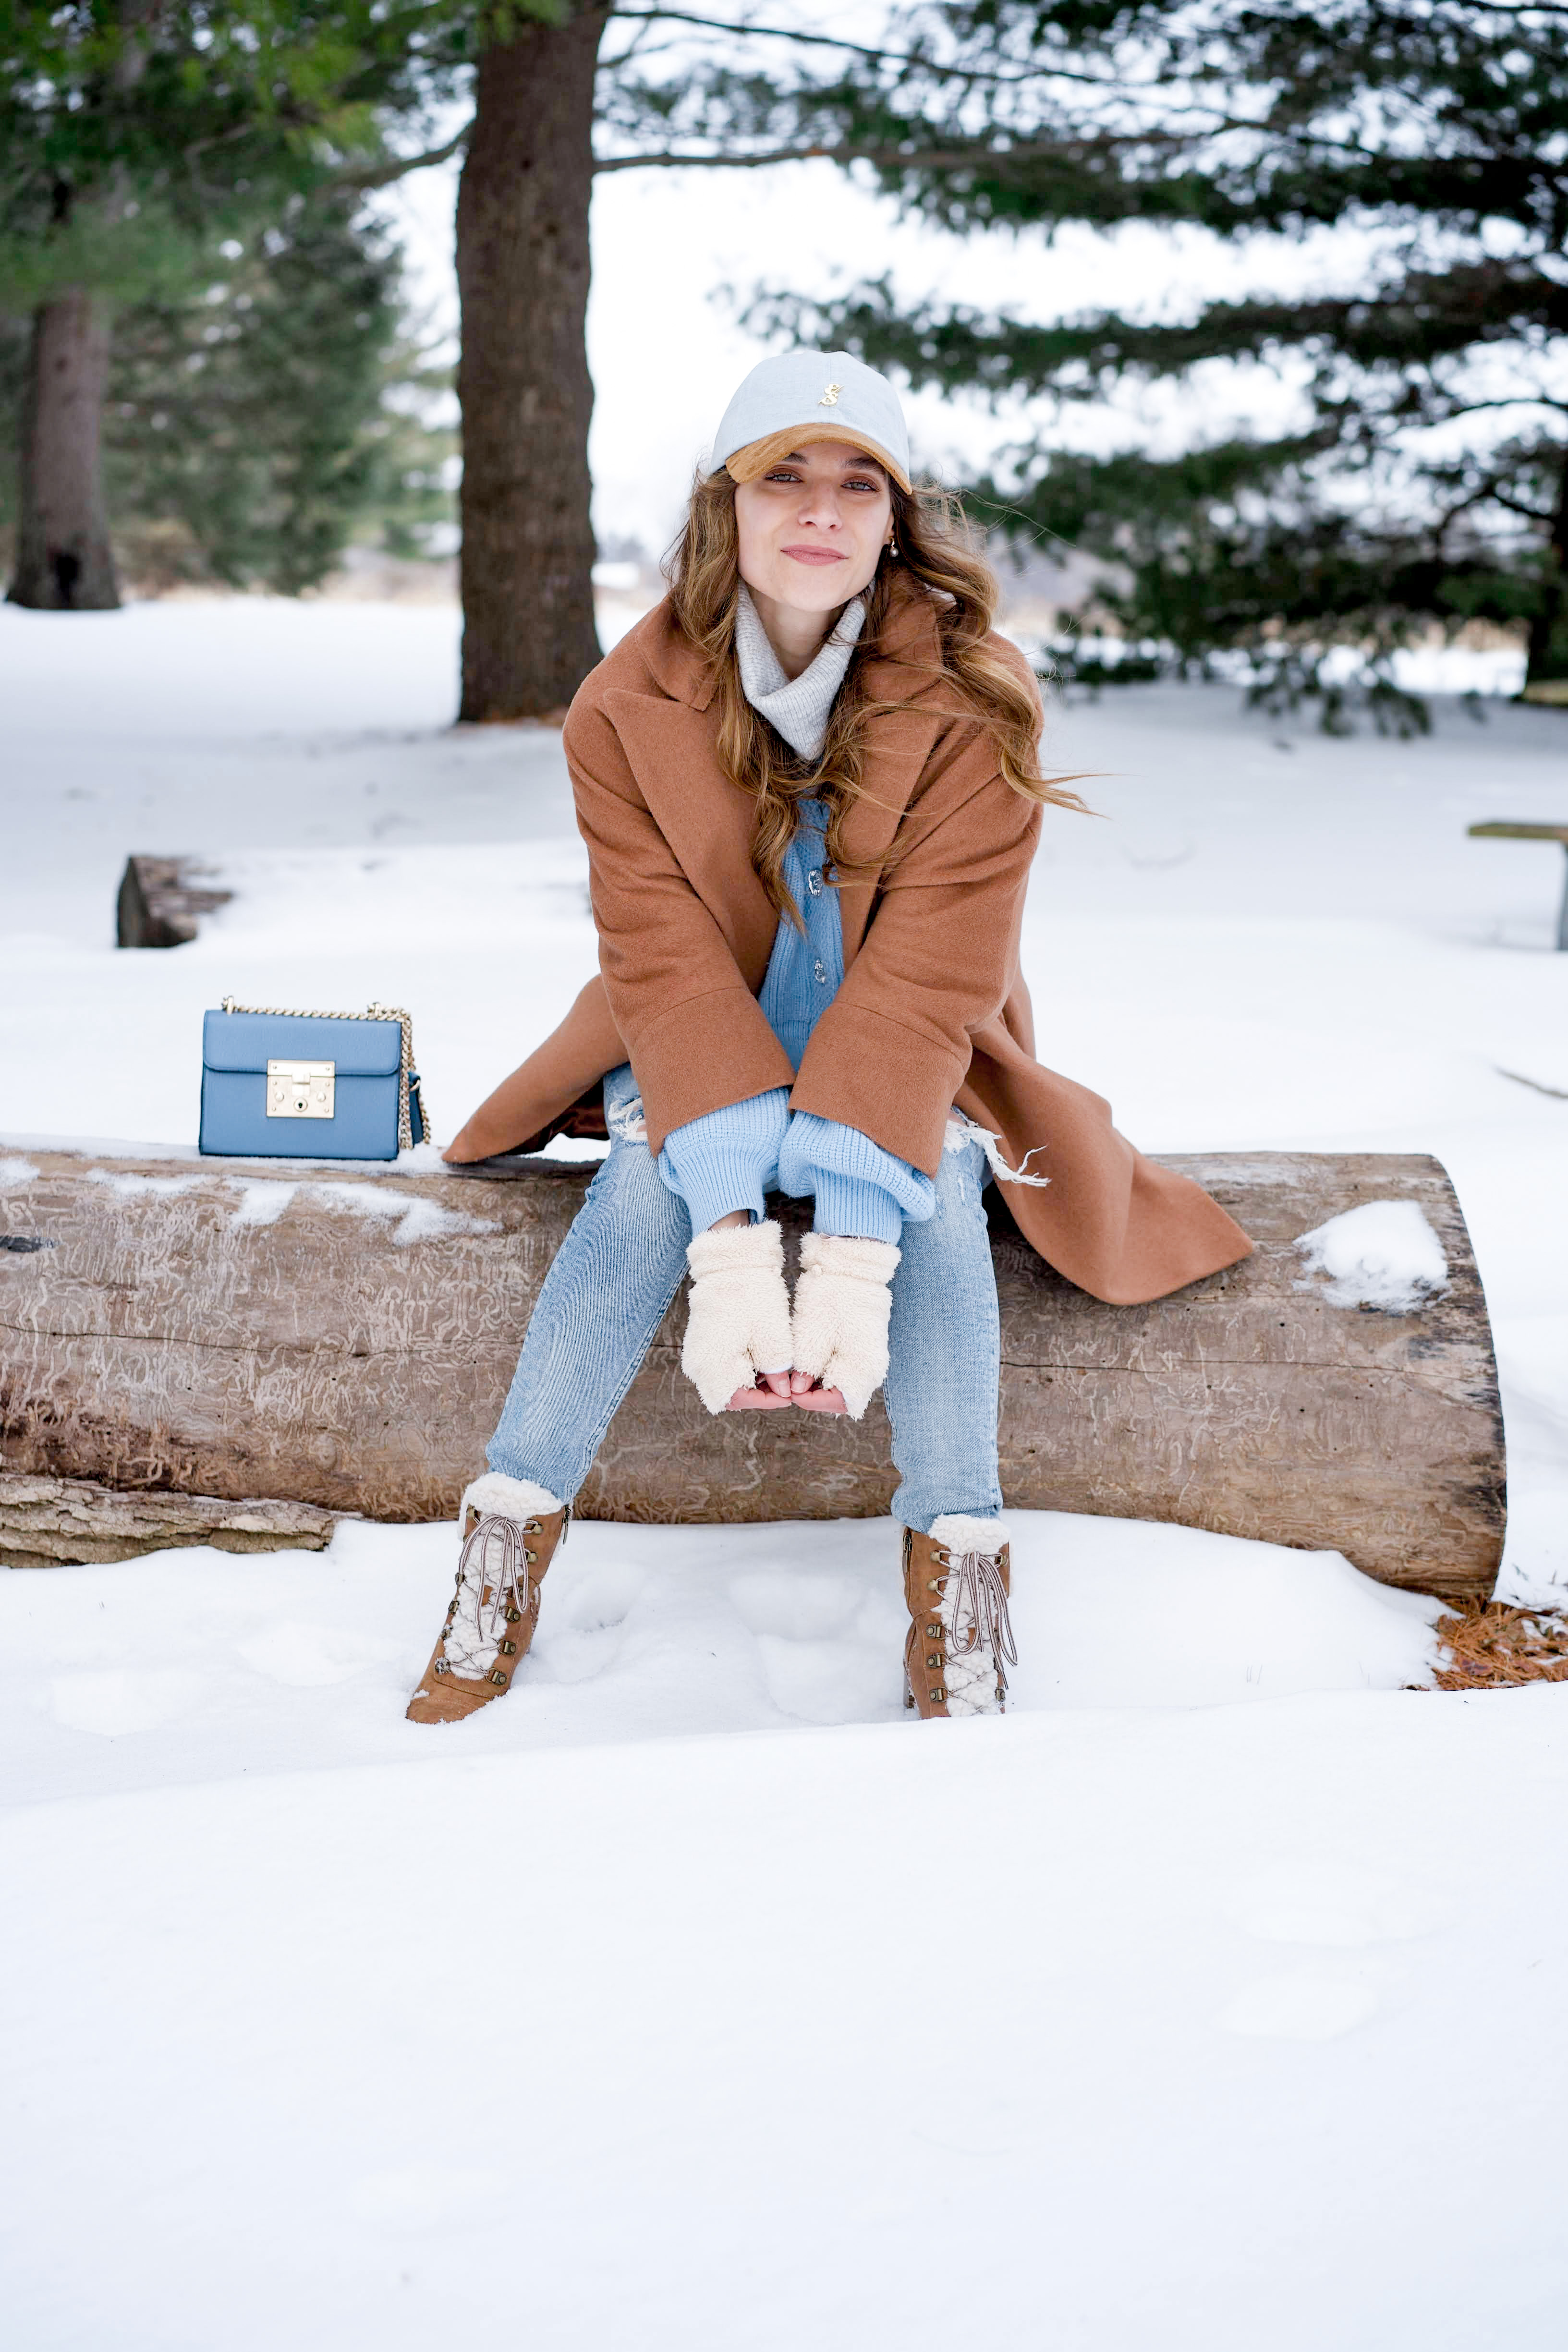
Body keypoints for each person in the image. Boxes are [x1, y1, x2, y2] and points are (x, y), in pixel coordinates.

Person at [406, 350, 1251, 1727]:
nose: (819, 508)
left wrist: (842, 1257)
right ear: (721, 507)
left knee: (935, 1200)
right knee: (635, 1191)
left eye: (857, 484)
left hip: (913, 1047)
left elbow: (932, 982)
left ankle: (959, 1583)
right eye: (782, 476)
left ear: (894, 519)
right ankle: (502, 1546)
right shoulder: (623, 705)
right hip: (701, 1027)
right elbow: (663, 960)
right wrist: (732, 1240)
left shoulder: (975, 695)